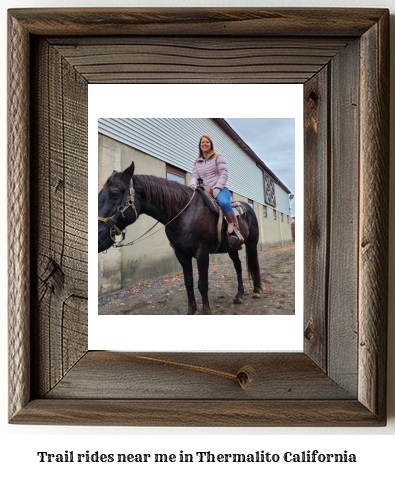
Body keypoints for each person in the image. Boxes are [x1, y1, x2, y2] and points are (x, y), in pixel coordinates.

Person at [189, 135, 244, 246]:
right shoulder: (197, 162)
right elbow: (194, 175)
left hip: (220, 189)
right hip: (204, 191)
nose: (205, 144)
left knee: (223, 203)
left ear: (211, 145)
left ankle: (235, 230)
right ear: (200, 145)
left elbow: (224, 173)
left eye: (207, 142)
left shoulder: (218, 157)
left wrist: (218, 187)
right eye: (203, 142)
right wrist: (192, 184)